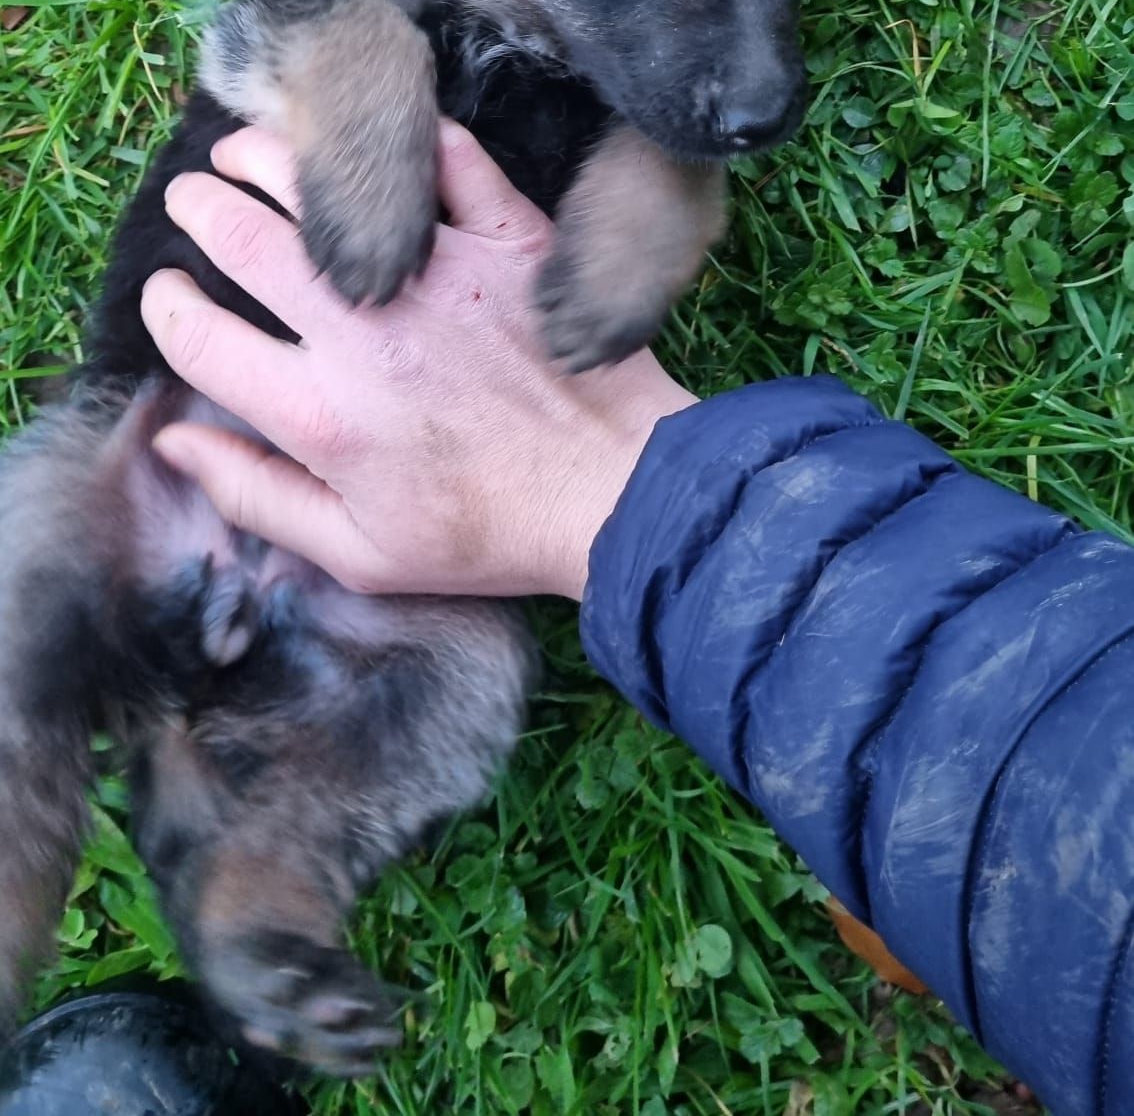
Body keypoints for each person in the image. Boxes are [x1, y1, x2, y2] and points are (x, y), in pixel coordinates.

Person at [7, 123, 1134, 1116]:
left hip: (394, 567)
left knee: (455, 677)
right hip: (156, 440)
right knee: (29, 634)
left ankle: (267, 887)